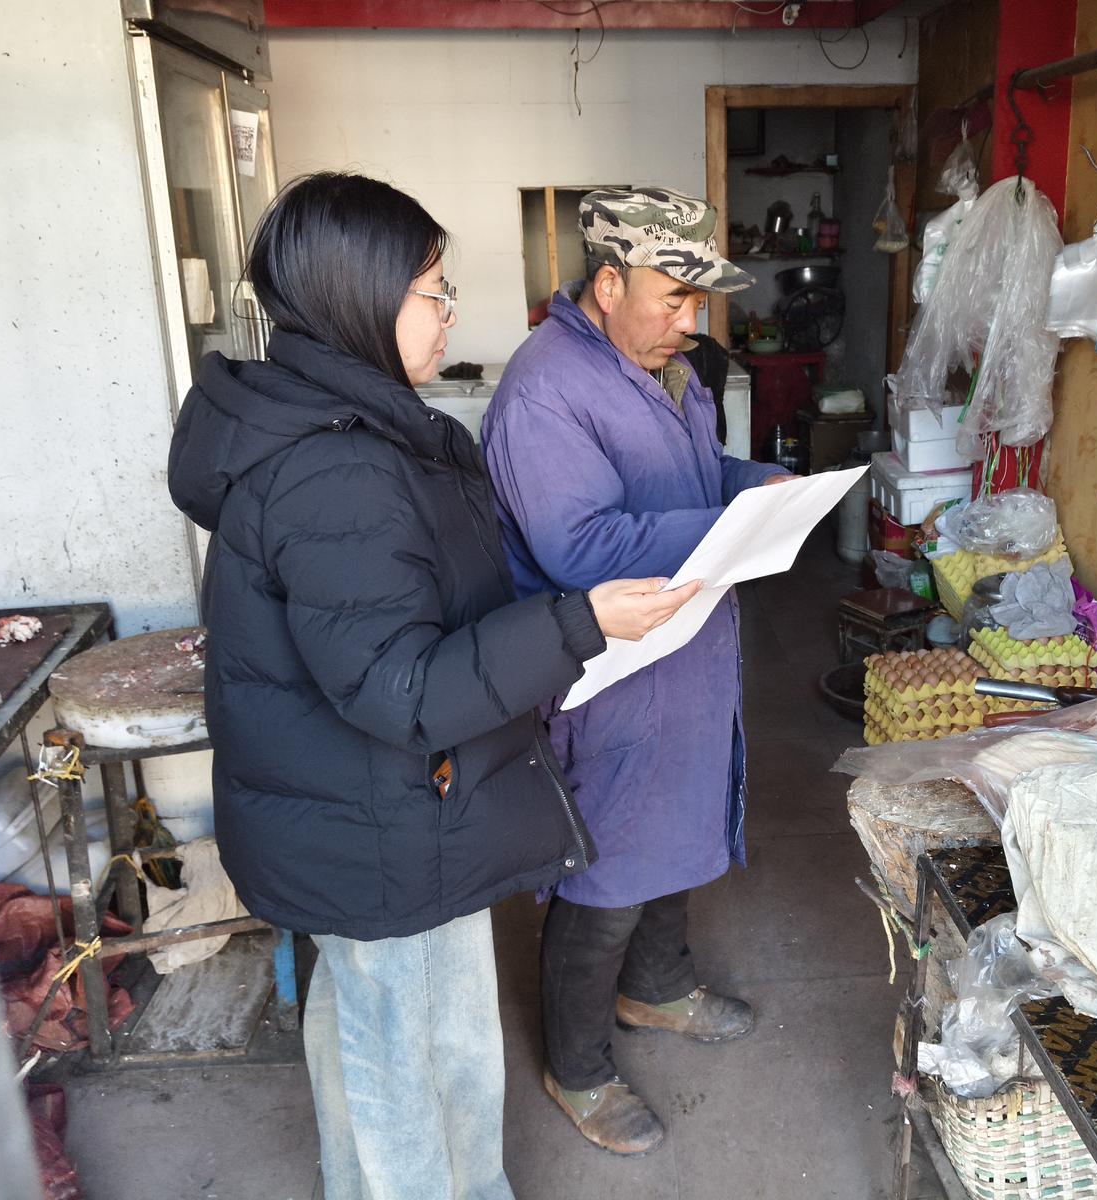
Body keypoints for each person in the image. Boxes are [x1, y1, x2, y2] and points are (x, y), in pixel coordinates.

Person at [165, 172, 698, 1200]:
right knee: (419, 1061)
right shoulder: (338, 470)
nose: (450, 313)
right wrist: (579, 622)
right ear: (361, 298)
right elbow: (401, 691)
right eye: (434, 292)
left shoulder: (352, 428)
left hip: (369, 810)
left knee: (367, 1029)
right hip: (382, 820)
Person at [481, 186, 792, 1156]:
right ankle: (576, 1067)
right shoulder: (546, 387)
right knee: (609, 862)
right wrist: (732, 527)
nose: (691, 321)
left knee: (679, 819)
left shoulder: (671, 369)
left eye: (700, 302)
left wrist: (761, 487)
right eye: (674, 298)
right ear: (609, 285)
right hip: (611, 671)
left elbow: (701, 476)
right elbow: (579, 547)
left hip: (685, 652)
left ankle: (657, 987)